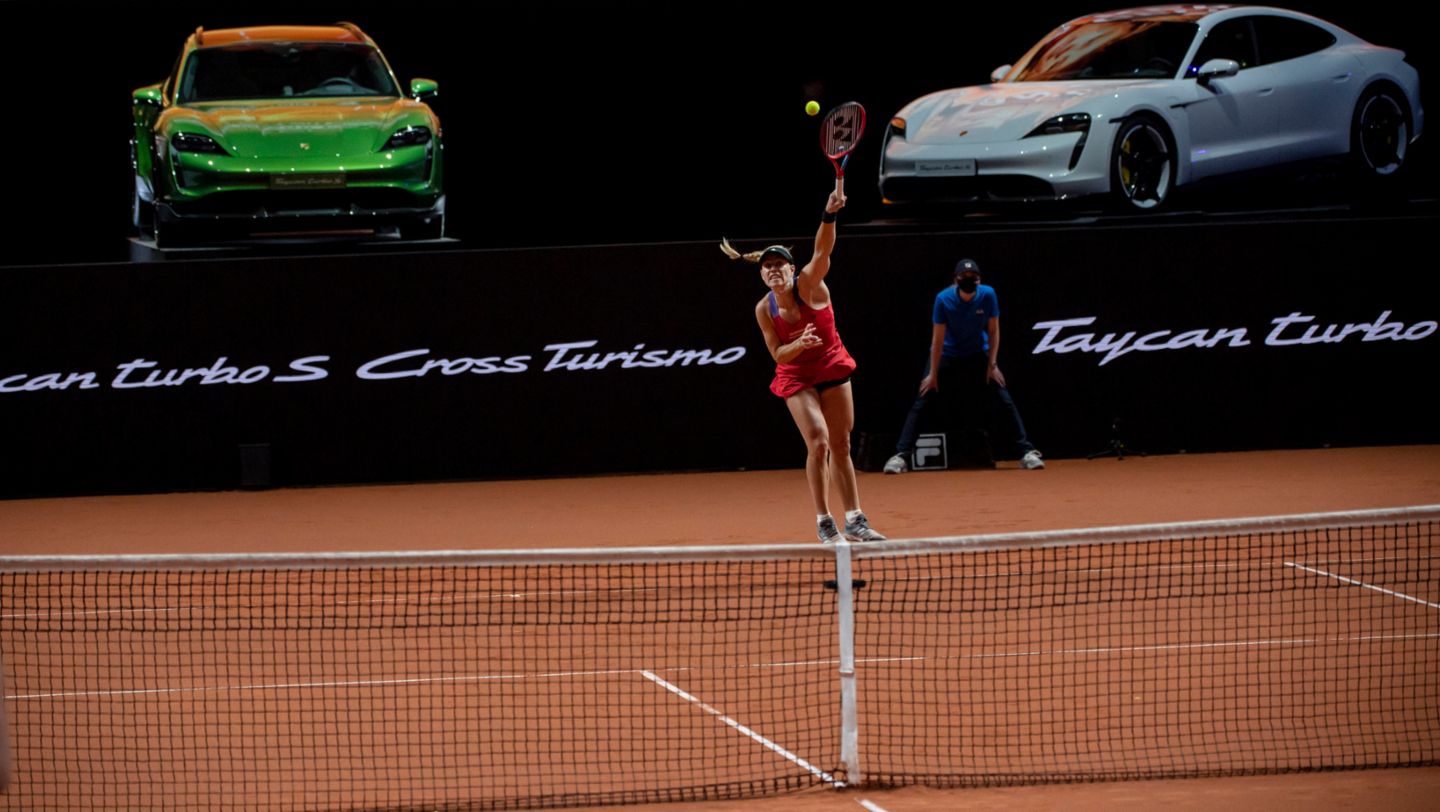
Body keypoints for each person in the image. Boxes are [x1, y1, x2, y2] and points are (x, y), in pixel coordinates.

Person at [721, 186, 886, 544]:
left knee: (841, 444)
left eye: (779, 264)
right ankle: (824, 521)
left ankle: (855, 519)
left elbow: (823, 249)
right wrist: (798, 343)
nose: (773, 270)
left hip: (832, 366)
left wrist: (829, 214)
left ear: (792, 269)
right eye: (767, 267)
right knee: (819, 443)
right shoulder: (764, 309)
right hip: (797, 375)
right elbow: (779, 356)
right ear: (762, 276)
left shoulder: (810, 285)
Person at [884, 258, 1044, 473]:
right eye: (964, 279)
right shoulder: (943, 299)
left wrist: (992, 364)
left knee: (1003, 398)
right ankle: (901, 456)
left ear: (979, 280)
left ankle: (1026, 452)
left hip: (978, 353)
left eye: (973, 279)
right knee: (923, 398)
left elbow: (994, 331)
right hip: (947, 354)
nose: (969, 282)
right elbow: (937, 340)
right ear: (956, 281)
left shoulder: (988, 295)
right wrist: (933, 374)